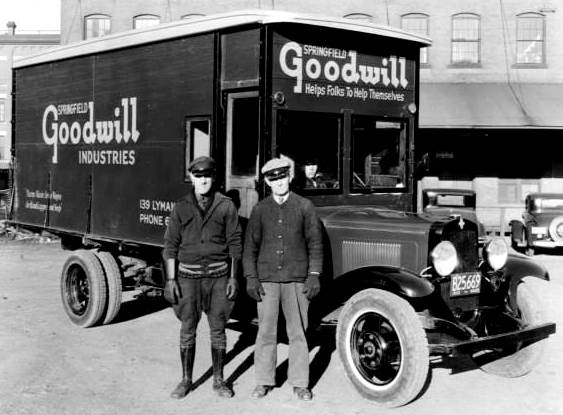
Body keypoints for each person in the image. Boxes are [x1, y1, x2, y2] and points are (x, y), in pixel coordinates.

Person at [243, 157, 323, 401]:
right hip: (267, 279)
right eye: (273, 179)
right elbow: (250, 248)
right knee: (266, 332)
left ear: (290, 177)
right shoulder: (260, 209)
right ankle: (264, 380)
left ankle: (300, 383)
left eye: (282, 177)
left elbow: (315, 244)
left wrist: (314, 275)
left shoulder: (304, 206)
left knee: (298, 332)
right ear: (268, 182)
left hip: (296, 280)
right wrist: (251, 277)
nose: (279, 183)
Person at [163, 156, 242, 399]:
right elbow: (170, 245)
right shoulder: (181, 207)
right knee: (188, 328)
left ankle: (219, 380)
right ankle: (186, 380)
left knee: (218, 329)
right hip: (188, 278)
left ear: (214, 177)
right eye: (198, 176)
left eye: (207, 176)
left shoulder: (226, 206)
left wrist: (233, 278)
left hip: (218, 278)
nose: (203, 180)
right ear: (192, 178)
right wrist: (170, 279)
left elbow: (235, 243)